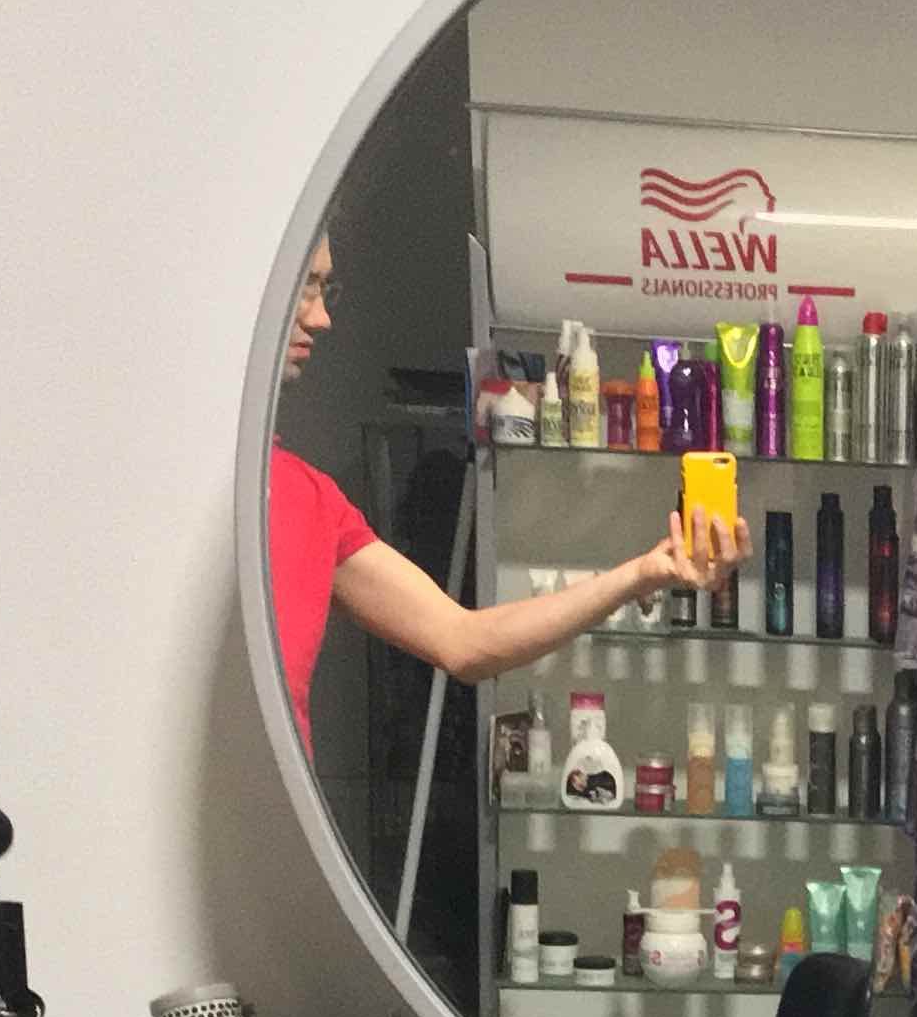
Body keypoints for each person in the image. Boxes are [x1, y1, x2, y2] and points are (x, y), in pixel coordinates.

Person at [267, 235, 744, 751]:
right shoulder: (220, 490)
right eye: (307, 286)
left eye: (325, 288)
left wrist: (639, 575)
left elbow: (464, 641)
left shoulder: (314, 501)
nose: (322, 318)